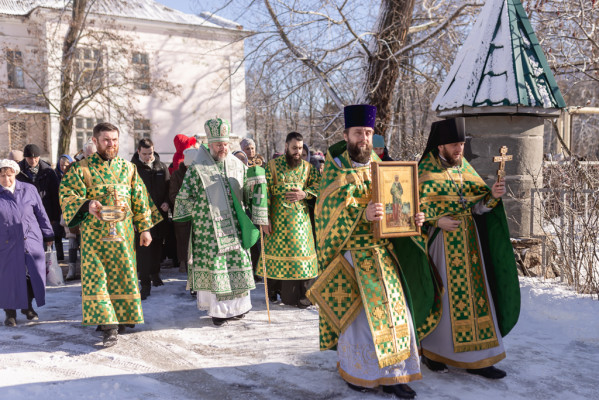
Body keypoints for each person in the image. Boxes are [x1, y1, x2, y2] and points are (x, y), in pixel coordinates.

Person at [307, 105, 426, 399]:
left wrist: (412, 217)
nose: (364, 138)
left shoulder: (383, 167)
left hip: (383, 255)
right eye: (359, 132)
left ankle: (396, 376)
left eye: (369, 133)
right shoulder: (335, 168)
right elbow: (324, 212)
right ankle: (359, 372)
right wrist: (362, 213)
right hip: (352, 256)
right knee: (359, 321)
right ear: (346, 134)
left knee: (398, 316)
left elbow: (398, 203)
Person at [417, 118, 520, 379]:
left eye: (461, 144)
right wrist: (436, 220)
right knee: (445, 299)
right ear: (440, 146)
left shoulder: (465, 169)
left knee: (476, 300)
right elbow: (410, 209)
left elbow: (476, 206)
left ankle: (480, 359)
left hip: (470, 246)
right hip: (441, 246)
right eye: (454, 145)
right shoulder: (424, 173)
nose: (459, 149)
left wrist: (491, 197)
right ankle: (433, 353)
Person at [59, 122, 161, 347]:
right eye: (106, 140)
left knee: (124, 277)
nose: (111, 144)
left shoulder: (128, 168)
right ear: (95, 141)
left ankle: (122, 318)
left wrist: (144, 228)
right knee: (98, 280)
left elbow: (140, 200)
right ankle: (108, 325)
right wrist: (87, 205)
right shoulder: (81, 169)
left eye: (114, 139)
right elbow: (67, 195)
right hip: (95, 239)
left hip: (123, 237)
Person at [173, 118, 267, 326]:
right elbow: (184, 197)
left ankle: (239, 308)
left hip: (235, 227)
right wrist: (191, 212)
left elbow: (247, 196)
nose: (223, 148)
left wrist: (255, 184)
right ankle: (219, 311)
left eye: (225, 144)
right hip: (209, 230)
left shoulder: (237, 165)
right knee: (218, 270)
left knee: (239, 265)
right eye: (218, 145)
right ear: (210, 144)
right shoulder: (198, 168)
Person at [259, 132, 320, 308]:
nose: (298, 152)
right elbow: (265, 193)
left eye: (300, 148)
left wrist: (305, 193)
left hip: (301, 222)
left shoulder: (308, 168)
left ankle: (304, 296)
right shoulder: (272, 166)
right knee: (278, 255)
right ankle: (275, 292)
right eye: (294, 148)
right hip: (278, 220)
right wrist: (264, 218)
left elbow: (319, 185)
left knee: (302, 255)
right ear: (286, 147)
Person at [0, 159, 54, 326]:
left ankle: (27, 306)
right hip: (6, 241)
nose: (6, 179)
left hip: (31, 238)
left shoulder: (29, 189)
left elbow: (41, 213)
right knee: (9, 277)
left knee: (33, 274)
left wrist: (48, 234)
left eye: (9, 175)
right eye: (2, 175)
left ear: (15, 174)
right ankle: (10, 312)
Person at [131, 138, 171, 299]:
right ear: (139, 151)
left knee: (157, 247)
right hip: (142, 215)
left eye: (151, 153)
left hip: (160, 214)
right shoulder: (132, 168)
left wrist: (167, 202)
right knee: (143, 250)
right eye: (145, 154)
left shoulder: (161, 166)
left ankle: (155, 274)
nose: (148, 157)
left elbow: (169, 188)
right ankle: (145, 283)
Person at [17, 144, 62, 259]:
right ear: (25, 158)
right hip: (25, 215)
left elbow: (56, 196)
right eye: (30, 158)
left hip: (46, 213)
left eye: (36, 157)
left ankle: (45, 272)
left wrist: (55, 217)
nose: (33, 160)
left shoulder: (48, 171)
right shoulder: (17, 172)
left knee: (46, 245)